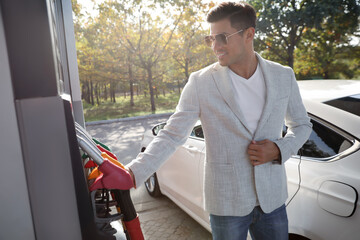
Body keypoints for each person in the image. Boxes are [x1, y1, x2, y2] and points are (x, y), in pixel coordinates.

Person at [125, 2, 312, 240]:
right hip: (226, 203)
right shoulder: (200, 82)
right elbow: (172, 134)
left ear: (249, 34)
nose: (215, 46)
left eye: (222, 37)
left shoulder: (283, 75)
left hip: (272, 200)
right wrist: (133, 172)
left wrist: (278, 149)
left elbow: (302, 125)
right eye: (211, 39)